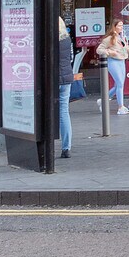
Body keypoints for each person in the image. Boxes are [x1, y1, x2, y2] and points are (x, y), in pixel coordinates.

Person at [99, 20, 129, 114]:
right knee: (120, 84)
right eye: (119, 26)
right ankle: (121, 107)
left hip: (122, 60)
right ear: (114, 26)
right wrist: (109, 52)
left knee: (118, 85)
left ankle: (103, 100)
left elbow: (126, 49)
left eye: (122, 25)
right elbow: (99, 49)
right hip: (113, 61)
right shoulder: (109, 38)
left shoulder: (122, 38)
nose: (121, 27)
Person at [56, 17, 75, 160]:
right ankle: (66, 147)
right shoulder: (67, 40)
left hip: (51, 79)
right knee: (64, 112)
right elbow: (71, 58)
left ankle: (45, 143)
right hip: (66, 78)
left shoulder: (46, 39)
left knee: (45, 111)